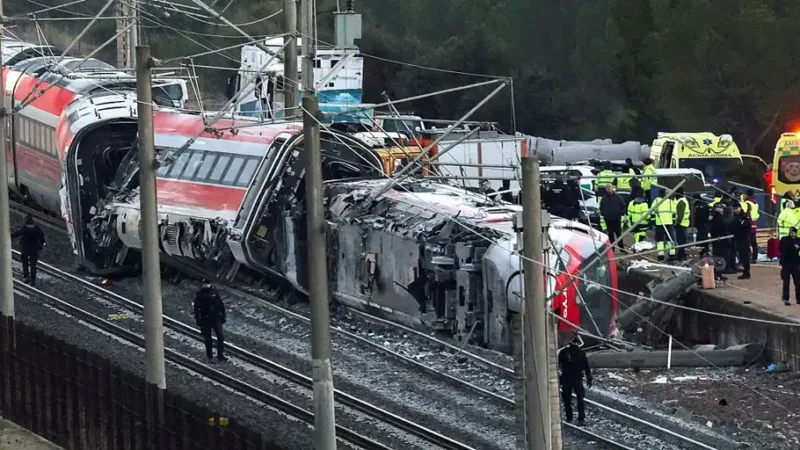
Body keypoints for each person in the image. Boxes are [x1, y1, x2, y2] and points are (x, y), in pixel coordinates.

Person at [558, 335, 592, 426]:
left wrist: (558, 378)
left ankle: (570, 418)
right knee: (580, 398)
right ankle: (581, 419)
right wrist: (589, 377)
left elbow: (557, 365)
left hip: (567, 378)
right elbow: (586, 367)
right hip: (577, 379)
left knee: (567, 399)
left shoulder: (564, 352)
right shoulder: (581, 353)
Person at [193, 279, 227, 361]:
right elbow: (196, 308)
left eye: (207, 283)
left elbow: (221, 305)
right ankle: (210, 356)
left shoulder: (214, 292)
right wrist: (198, 320)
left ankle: (220, 355)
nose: (205, 285)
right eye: (204, 284)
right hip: (205, 318)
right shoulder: (200, 294)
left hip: (216, 317)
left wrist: (223, 316)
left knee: (220, 336)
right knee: (208, 339)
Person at [12, 214, 45, 286]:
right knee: (33, 265)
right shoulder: (37, 228)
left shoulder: (24, 228)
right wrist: (41, 245)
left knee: (25, 263)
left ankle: (26, 277)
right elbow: (42, 238)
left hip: (25, 249)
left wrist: (10, 235)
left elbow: (16, 234)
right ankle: (33, 281)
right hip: (34, 250)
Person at [599, 183, 627, 250]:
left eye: (609, 187)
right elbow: (601, 208)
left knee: (618, 234)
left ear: (612, 188)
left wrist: (621, 213)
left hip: (616, 218)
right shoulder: (604, 198)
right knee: (610, 234)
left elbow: (623, 206)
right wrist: (604, 214)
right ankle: (612, 248)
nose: (608, 188)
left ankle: (621, 248)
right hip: (608, 219)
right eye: (607, 187)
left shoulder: (618, 197)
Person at [652, 188, 676, 261]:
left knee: (660, 240)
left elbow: (652, 212)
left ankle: (660, 255)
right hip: (669, 223)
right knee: (670, 239)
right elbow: (674, 211)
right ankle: (672, 254)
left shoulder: (656, 201)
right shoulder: (669, 202)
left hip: (659, 223)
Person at [779, 227, 800, 306]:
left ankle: (798, 299)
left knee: (798, 282)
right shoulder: (784, 239)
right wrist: (792, 246)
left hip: (795, 263)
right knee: (786, 282)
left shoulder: (798, 240)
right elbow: (781, 249)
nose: (793, 234)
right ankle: (786, 298)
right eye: (791, 232)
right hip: (786, 263)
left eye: (794, 232)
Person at [731, 204, 752, 280]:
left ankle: (747, 272)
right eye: (734, 209)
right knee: (741, 256)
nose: (735, 210)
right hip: (738, 239)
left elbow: (747, 225)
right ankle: (745, 272)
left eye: (736, 208)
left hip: (744, 239)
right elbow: (733, 226)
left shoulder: (744, 216)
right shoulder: (735, 217)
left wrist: (740, 225)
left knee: (745, 256)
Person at [741, 189, 760, 262]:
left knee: (747, 242)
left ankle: (748, 257)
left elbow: (743, 211)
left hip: (748, 224)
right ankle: (754, 257)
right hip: (754, 223)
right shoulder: (755, 203)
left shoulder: (747, 203)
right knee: (754, 242)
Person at [673, 188, 691, 260]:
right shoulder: (683, 200)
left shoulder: (681, 201)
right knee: (682, 241)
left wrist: (677, 222)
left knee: (681, 241)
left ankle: (682, 255)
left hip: (681, 224)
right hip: (684, 223)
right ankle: (682, 255)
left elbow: (680, 214)